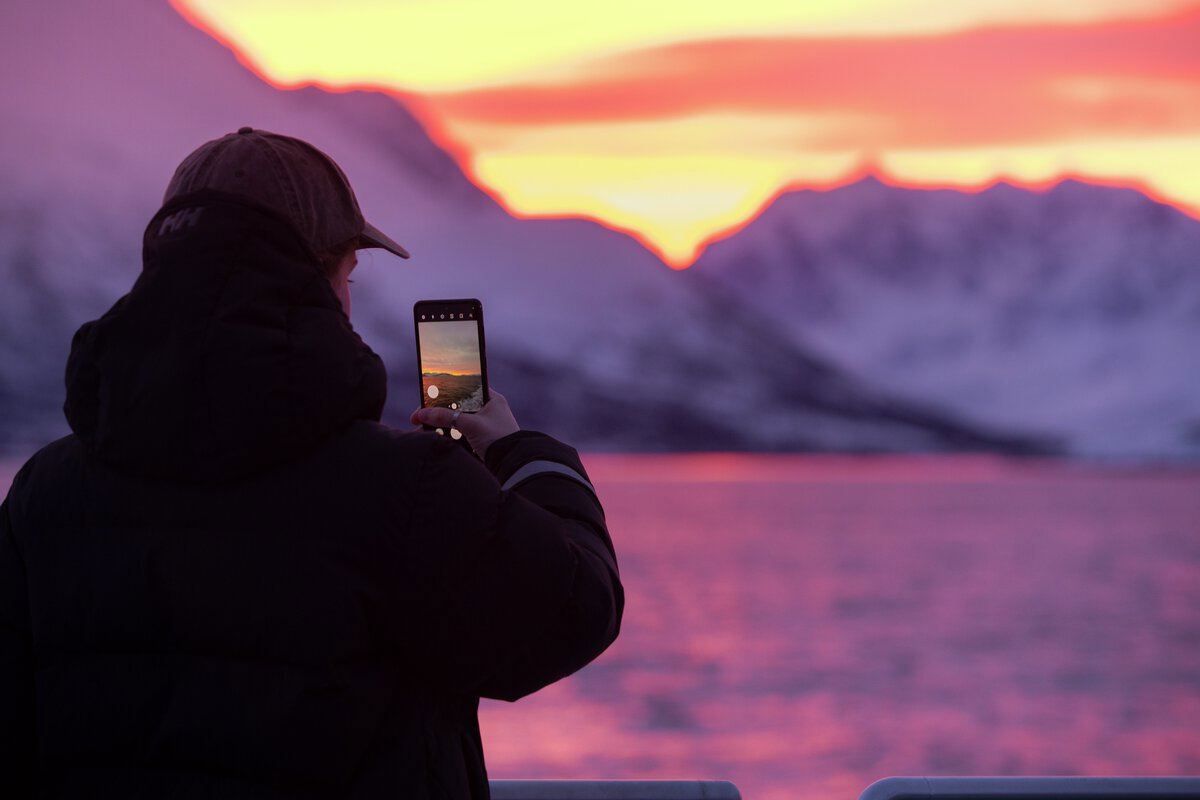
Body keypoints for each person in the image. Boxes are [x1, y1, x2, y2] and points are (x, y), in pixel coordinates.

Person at [0, 128, 623, 798]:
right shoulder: (402, 487)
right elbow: (571, 611)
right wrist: (520, 454)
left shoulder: (45, 492)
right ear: (317, 278)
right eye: (348, 275)